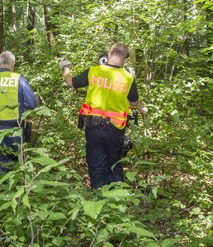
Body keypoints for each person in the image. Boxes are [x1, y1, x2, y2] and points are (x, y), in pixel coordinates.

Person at [59, 43, 148, 190]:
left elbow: (70, 82)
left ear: (109, 54)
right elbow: (133, 101)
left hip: (94, 127)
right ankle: (116, 199)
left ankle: (98, 196)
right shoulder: (127, 77)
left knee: (96, 164)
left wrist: (65, 67)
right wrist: (142, 110)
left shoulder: (94, 71)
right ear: (125, 60)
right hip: (115, 129)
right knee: (114, 163)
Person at [0, 51, 38, 172]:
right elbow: (32, 104)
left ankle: (1, 188)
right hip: (14, 130)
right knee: (16, 163)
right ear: (12, 64)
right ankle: (15, 188)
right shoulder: (18, 79)